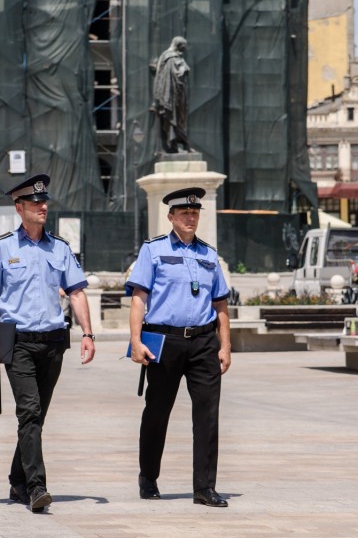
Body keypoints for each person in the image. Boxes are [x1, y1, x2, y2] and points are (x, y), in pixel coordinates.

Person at [0, 174, 96, 513]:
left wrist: (87, 333)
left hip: (54, 344)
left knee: (36, 416)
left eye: (44, 202)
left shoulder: (59, 247)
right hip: (18, 345)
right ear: (19, 208)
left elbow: (76, 292)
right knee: (29, 411)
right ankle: (36, 487)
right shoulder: (2, 248)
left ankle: (17, 479)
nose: (43, 207)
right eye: (35, 203)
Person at [126, 187, 232, 508]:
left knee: (208, 416)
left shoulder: (209, 254)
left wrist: (225, 345)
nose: (190, 217)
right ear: (171, 217)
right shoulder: (153, 250)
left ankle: (204, 487)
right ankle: (148, 476)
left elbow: (221, 304)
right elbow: (138, 299)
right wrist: (135, 341)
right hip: (163, 340)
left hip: (203, 342)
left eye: (195, 213)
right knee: (158, 412)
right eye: (184, 213)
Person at [152, 36, 191, 153]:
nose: (185, 49)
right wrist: (184, 69)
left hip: (174, 95)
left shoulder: (167, 57)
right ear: (178, 45)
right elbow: (177, 74)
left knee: (177, 118)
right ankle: (176, 145)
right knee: (174, 118)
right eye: (183, 46)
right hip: (172, 95)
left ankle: (181, 144)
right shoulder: (171, 58)